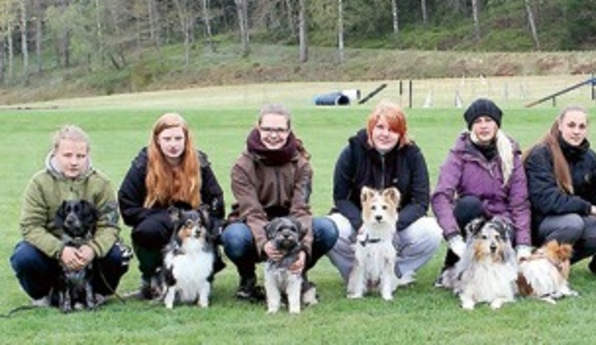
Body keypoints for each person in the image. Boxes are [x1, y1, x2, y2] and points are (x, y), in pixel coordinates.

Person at [222, 103, 339, 301]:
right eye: (267, 129)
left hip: (291, 225)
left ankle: (297, 273)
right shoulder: (242, 166)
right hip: (253, 225)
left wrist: (303, 250)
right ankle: (248, 279)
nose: (273, 135)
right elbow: (252, 212)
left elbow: (300, 210)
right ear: (258, 128)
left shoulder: (302, 165)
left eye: (280, 130)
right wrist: (265, 243)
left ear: (289, 131)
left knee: (327, 229)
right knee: (233, 237)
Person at [9, 125, 129, 307]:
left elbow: (110, 225)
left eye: (80, 156)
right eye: (67, 155)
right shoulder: (39, 183)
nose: (74, 162)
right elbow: (31, 226)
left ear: (87, 155)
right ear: (55, 153)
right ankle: (43, 295)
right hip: (52, 252)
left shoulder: (101, 183)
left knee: (118, 255)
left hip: (89, 252)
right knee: (23, 256)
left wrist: (92, 249)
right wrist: (60, 250)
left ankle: (99, 292)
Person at [325, 102, 442, 286]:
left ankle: (394, 273)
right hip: (360, 225)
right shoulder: (351, 151)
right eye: (380, 127)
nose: (385, 134)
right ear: (371, 128)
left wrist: (394, 223)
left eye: (393, 129)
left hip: (397, 226)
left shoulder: (413, 155)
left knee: (432, 231)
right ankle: (357, 275)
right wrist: (361, 224)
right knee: (331, 229)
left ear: (401, 133)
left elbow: (420, 202)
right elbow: (340, 198)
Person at [118, 113, 226, 299]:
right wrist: (163, 219)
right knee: (146, 231)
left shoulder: (200, 163)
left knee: (201, 230)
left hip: (193, 224)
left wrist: (200, 222)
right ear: (157, 140)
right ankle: (150, 280)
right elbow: (127, 204)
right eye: (167, 139)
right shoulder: (142, 165)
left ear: (186, 139)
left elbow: (216, 202)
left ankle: (200, 279)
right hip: (156, 222)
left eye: (178, 138)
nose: (173, 144)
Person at [431, 98, 532, 283]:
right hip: (472, 216)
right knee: (467, 205)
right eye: (477, 121)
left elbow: (520, 202)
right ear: (470, 126)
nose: (483, 126)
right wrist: (453, 237)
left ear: (497, 124)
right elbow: (441, 196)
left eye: (488, 120)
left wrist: (524, 244)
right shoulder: (459, 153)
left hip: (503, 218)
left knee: (500, 251)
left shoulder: (511, 153)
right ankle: (452, 267)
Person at [523, 105, 596, 265]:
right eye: (571, 125)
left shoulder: (589, 157)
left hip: (571, 217)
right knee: (573, 224)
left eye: (582, 126)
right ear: (560, 125)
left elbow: (595, 194)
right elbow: (547, 200)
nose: (576, 131)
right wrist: (589, 209)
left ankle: (557, 264)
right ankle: (537, 264)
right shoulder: (541, 154)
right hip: (539, 221)